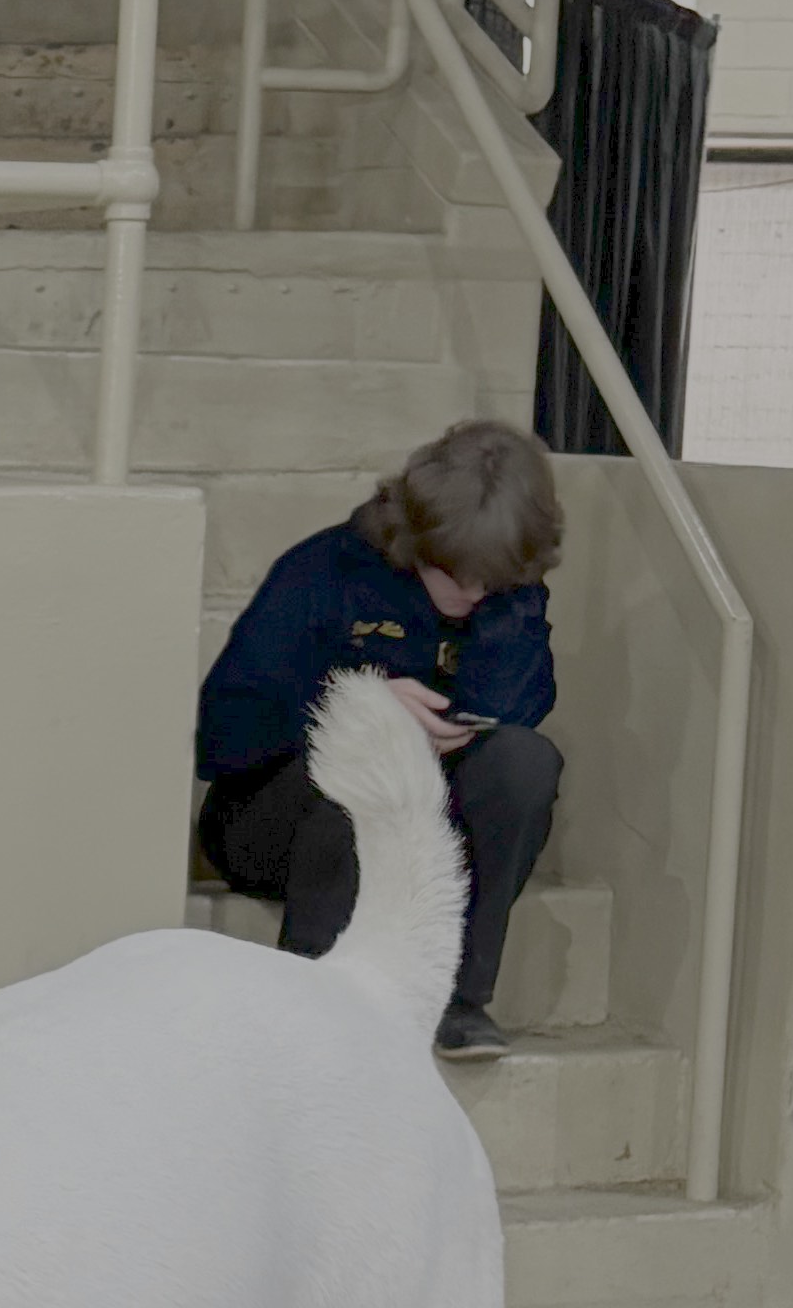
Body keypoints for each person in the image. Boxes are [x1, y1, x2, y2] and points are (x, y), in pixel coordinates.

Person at [195, 416, 566, 1056]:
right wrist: (362, 709)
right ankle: (313, 1012)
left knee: (525, 763)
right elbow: (222, 735)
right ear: (419, 540)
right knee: (362, 787)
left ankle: (458, 999)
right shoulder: (324, 571)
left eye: (491, 580)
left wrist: (509, 611)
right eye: (457, 573)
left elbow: (514, 707)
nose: (472, 592)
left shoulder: (502, 593)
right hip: (279, 812)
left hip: (419, 823)